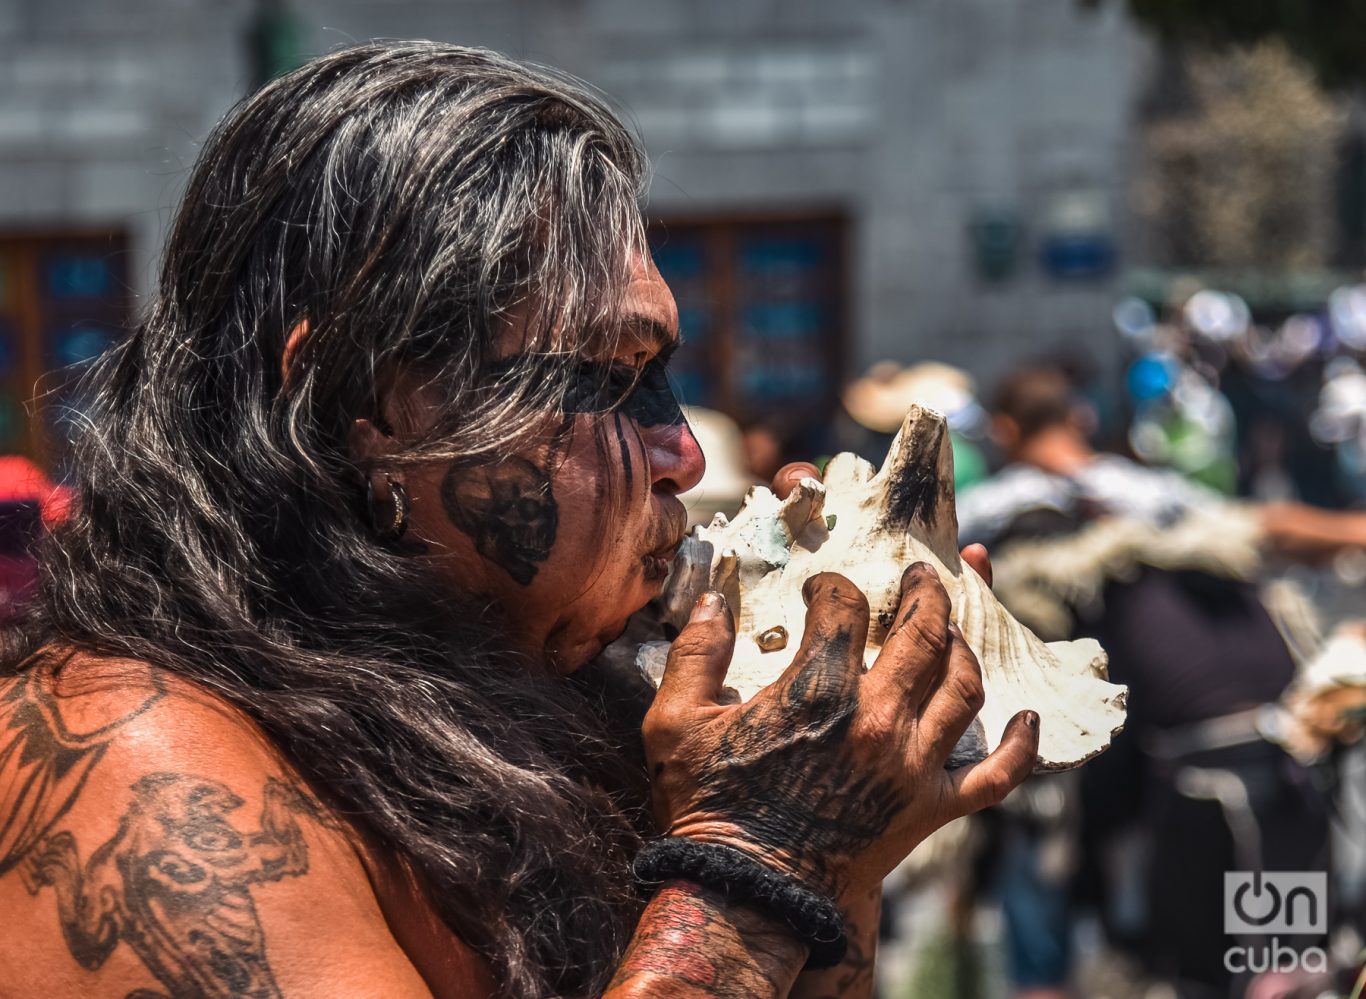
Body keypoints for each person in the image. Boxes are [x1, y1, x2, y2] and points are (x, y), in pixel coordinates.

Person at [0, 43, 1039, 999]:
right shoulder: (141, 769)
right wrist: (757, 861)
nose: (681, 456)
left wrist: (838, 850)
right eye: (614, 376)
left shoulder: (538, 696)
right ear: (363, 405)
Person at [959, 365, 1337, 999]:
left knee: (1051, 886)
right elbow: (1263, 527)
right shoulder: (1152, 493)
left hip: (1105, 748)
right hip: (1270, 725)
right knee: (1270, 945)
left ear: (1004, 431)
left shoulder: (994, 507)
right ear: (1080, 418)